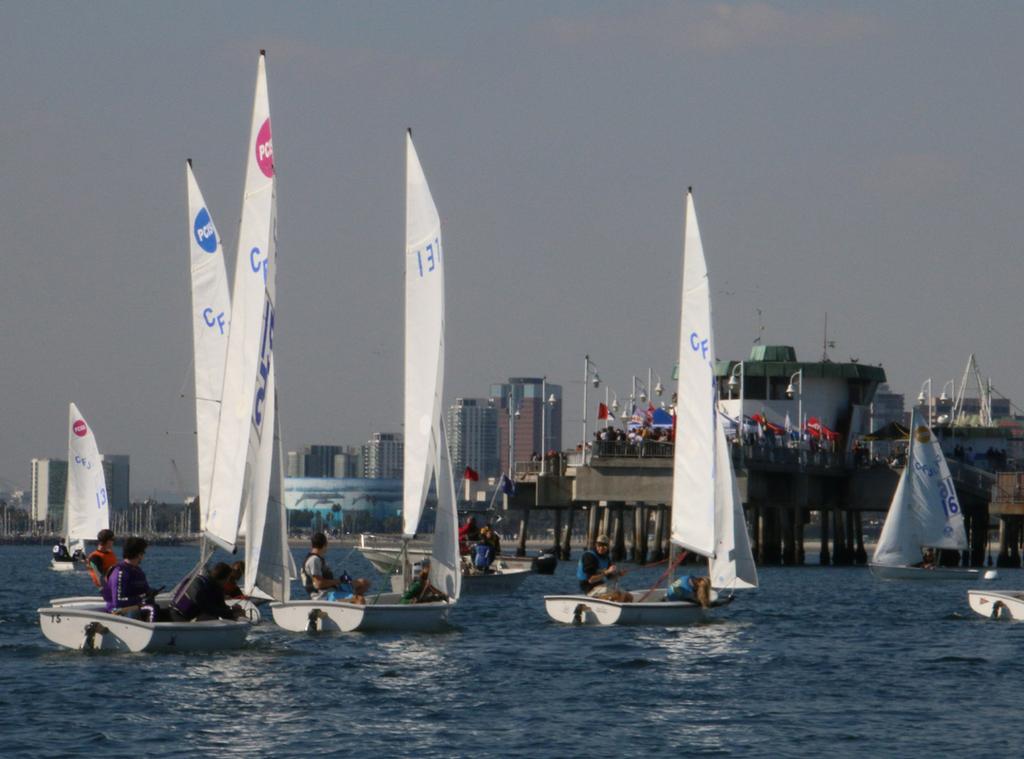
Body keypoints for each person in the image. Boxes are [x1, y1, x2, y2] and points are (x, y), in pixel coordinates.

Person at [300, 532, 370, 604]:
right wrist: (340, 580)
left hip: (332, 589)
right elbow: (319, 584)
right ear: (325, 544)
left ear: (312, 545)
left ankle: (350, 600)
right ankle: (352, 600)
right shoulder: (314, 560)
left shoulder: (317, 558)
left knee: (364, 583)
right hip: (323, 596)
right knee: (360, 600)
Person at [105, 537, 160, 622]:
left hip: (136, 606)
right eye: (143, 553)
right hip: (118, 612)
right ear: (139, 554)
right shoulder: (120, 572)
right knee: (151, 608)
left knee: (157, 607)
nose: (143, 556)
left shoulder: (138, 571)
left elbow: (145, 591)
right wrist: (142, 597)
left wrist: (150, 593)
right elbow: (118, 601)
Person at [170, 562, 245, 622]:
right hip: (177, 616)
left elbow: (221, 607)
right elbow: (208, 608)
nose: (227, 582)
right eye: (228, 579)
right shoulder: (199, 584)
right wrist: (232, 613)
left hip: (190, 617)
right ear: (224, 578)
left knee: (213, 617)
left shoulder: (217, 589)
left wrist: (233, 610)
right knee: (211, 617)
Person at [576, 535, 631, 602]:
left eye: (604, 546)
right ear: (596, 545)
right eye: (599, 545)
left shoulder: (606, 558)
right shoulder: (589, 557)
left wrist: (619, 574)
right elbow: (591, 580)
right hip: (589, 589)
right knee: (619, 595)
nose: (601, 548)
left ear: (607, 547)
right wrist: (607, 572)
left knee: (629, 597)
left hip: (600, 586)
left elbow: (609, 577)